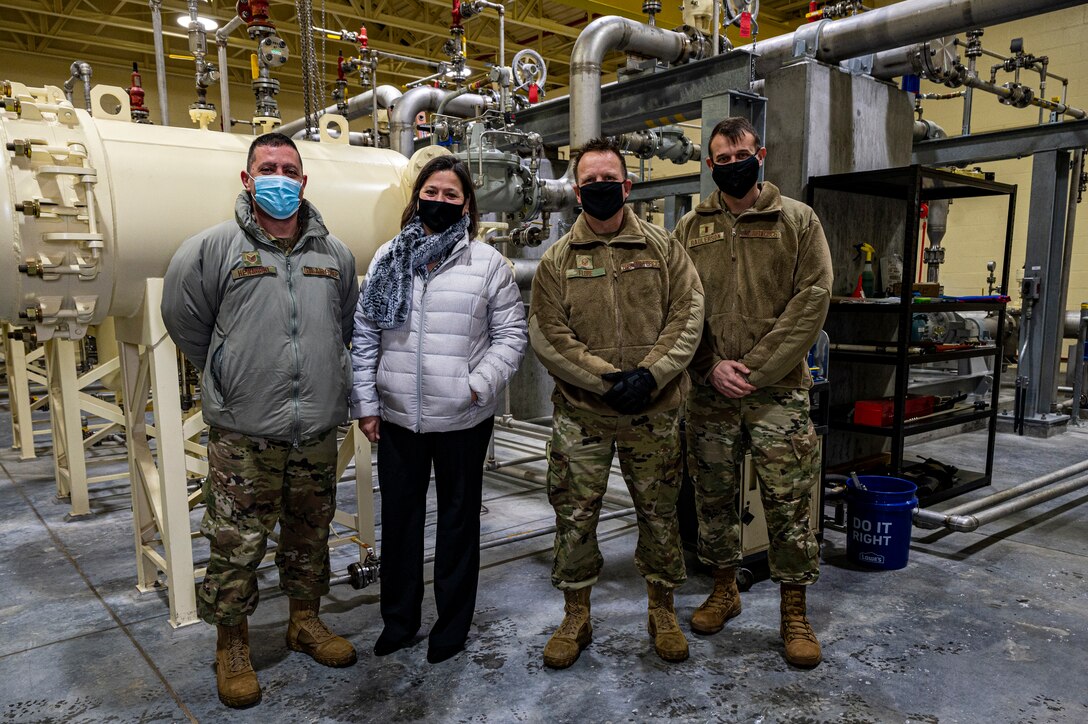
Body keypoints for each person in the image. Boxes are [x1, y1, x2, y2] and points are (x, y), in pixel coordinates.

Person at [161, 133, 360, 707]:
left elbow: (343, 323)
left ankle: (305, 621)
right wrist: (229, 372)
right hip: (245, 433)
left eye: (289, 169)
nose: (279, 177)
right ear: (247, 180)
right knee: (236, 543)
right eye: (267, 167)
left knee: (309, 535)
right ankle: (232, 645)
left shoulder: (335, 255)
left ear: (304, 182)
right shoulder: (210, 249)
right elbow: (186, 321)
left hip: (316, 427)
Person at [528, 137, 705, 668]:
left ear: (627, 187)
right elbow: (549, 333)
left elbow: (688, 315)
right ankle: (576, 615)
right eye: (590, 184)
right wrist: (608, 381)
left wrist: (652, 375)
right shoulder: (557, 260)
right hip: (584, 415)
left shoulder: (664, 248)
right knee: (574, 515)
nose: (600, 190)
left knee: (660, 515)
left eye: (610, 181)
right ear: (576, 193)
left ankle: (662, 609)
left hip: (655, 411)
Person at [351, 155, 527, 665]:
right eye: (433, 192)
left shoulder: (486, 263)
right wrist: (367, 402)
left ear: (467, 205)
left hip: (464, 420)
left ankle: (450, 628)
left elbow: (511, 336)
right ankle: (400, 622)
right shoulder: (389, 258)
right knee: (400, 524)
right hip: (398, 416)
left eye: (453, 195)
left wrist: (476, 387)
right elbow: (364, 336)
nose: (441, 202)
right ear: (417, 197)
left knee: (458, 524)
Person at [673, 117, 833, 667]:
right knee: (712, 498)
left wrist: (757, 369)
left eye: (742, 152)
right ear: (711, 164)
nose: (733, 163)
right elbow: (679, 309)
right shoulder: (691, 228)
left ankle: (794, 611)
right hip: (710, 392)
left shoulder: (797, 221)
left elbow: (813, 299)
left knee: (788, 504)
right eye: (722, 157)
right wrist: (710, 366)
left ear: (759, 153)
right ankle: (725, 589)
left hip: (778, 391)